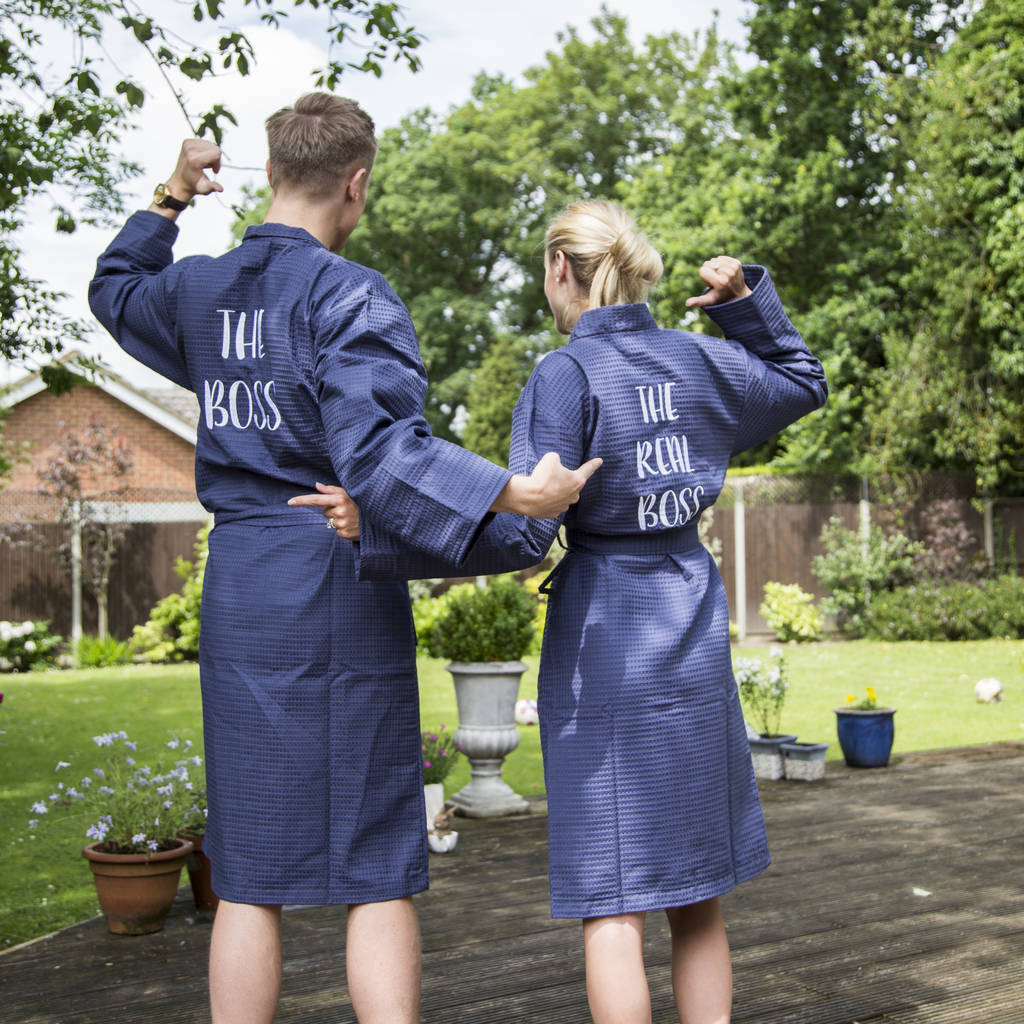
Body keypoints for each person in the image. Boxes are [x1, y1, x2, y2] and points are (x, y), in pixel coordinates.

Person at [87, 93, 600, 1024]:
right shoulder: (349, 294)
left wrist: (170, 196)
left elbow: (115, 288)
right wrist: (513, 492)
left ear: (274, 171)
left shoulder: (198, 289)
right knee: (373, 858)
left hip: (242, 581)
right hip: (335, 566)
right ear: (355, 185)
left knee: (246, 866)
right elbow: (382, 456)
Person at [296, 200, 827, 1023]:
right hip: (690, 618)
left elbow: (522, 539)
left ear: (558, 271)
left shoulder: (565, 375)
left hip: (606, 638)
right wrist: (745, 302)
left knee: (613, 897)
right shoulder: (700, 359)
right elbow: (803, 381)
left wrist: (382, 534)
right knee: (698, 891)